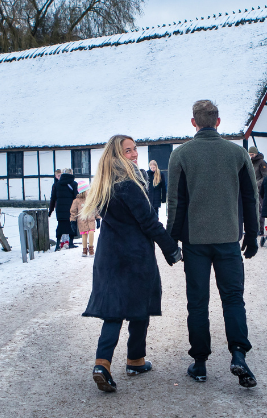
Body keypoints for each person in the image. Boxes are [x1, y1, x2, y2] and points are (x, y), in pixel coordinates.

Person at [166, 100, 260, 388]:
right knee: (233, 299)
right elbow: (249, 198)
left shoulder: (180, 155)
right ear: (218, 121)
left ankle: (200, 363)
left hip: (195, 241)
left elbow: (175, 203)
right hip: (229, 238)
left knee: (198, 303)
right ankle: (238, 354)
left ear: (193, 123)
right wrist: (253, 235)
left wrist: (171, 241)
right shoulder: (237, 153)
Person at [81, 135, 182, 393]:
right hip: (133, 256)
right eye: (128, 150)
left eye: (135, 148)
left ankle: (102, 363)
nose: (135, 153)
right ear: (117, 155)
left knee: (113, 312)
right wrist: (171, 250)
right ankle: (135, 360)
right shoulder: (128, 184)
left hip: (109, 256)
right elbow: (148, 222)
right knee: (139, 307)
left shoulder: (105, 184)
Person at [49, 168, 79, 250]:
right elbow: (76, 197)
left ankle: (58, 244)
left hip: (60, 209)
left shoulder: (56, 185)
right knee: (72, 225)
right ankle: (71, 243)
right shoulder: (73, 184)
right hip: (71, 208)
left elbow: (53, 198)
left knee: (60, 226)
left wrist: (50, 210)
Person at [248, 147, 267, 237]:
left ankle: (260, 229)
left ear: (256, 153)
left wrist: (256, 184)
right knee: (251, 209)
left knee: (259, 209)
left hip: (259, 190)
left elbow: (265, 177)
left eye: (252, 155)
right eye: (250, 155)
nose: (251, 157)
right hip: (251, 189)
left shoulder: (262, 163)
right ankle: (253, 229)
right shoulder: (250, 163)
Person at [71, 190, 97, 257]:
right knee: (84, 234)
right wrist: (73, 221)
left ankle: (91, 249)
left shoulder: (91, 199)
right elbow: (73, 211)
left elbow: (95, 208)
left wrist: (98, 218)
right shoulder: (77, 201)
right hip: (82, 220)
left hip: (91, 219)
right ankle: (84, 250)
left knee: (91, 232)